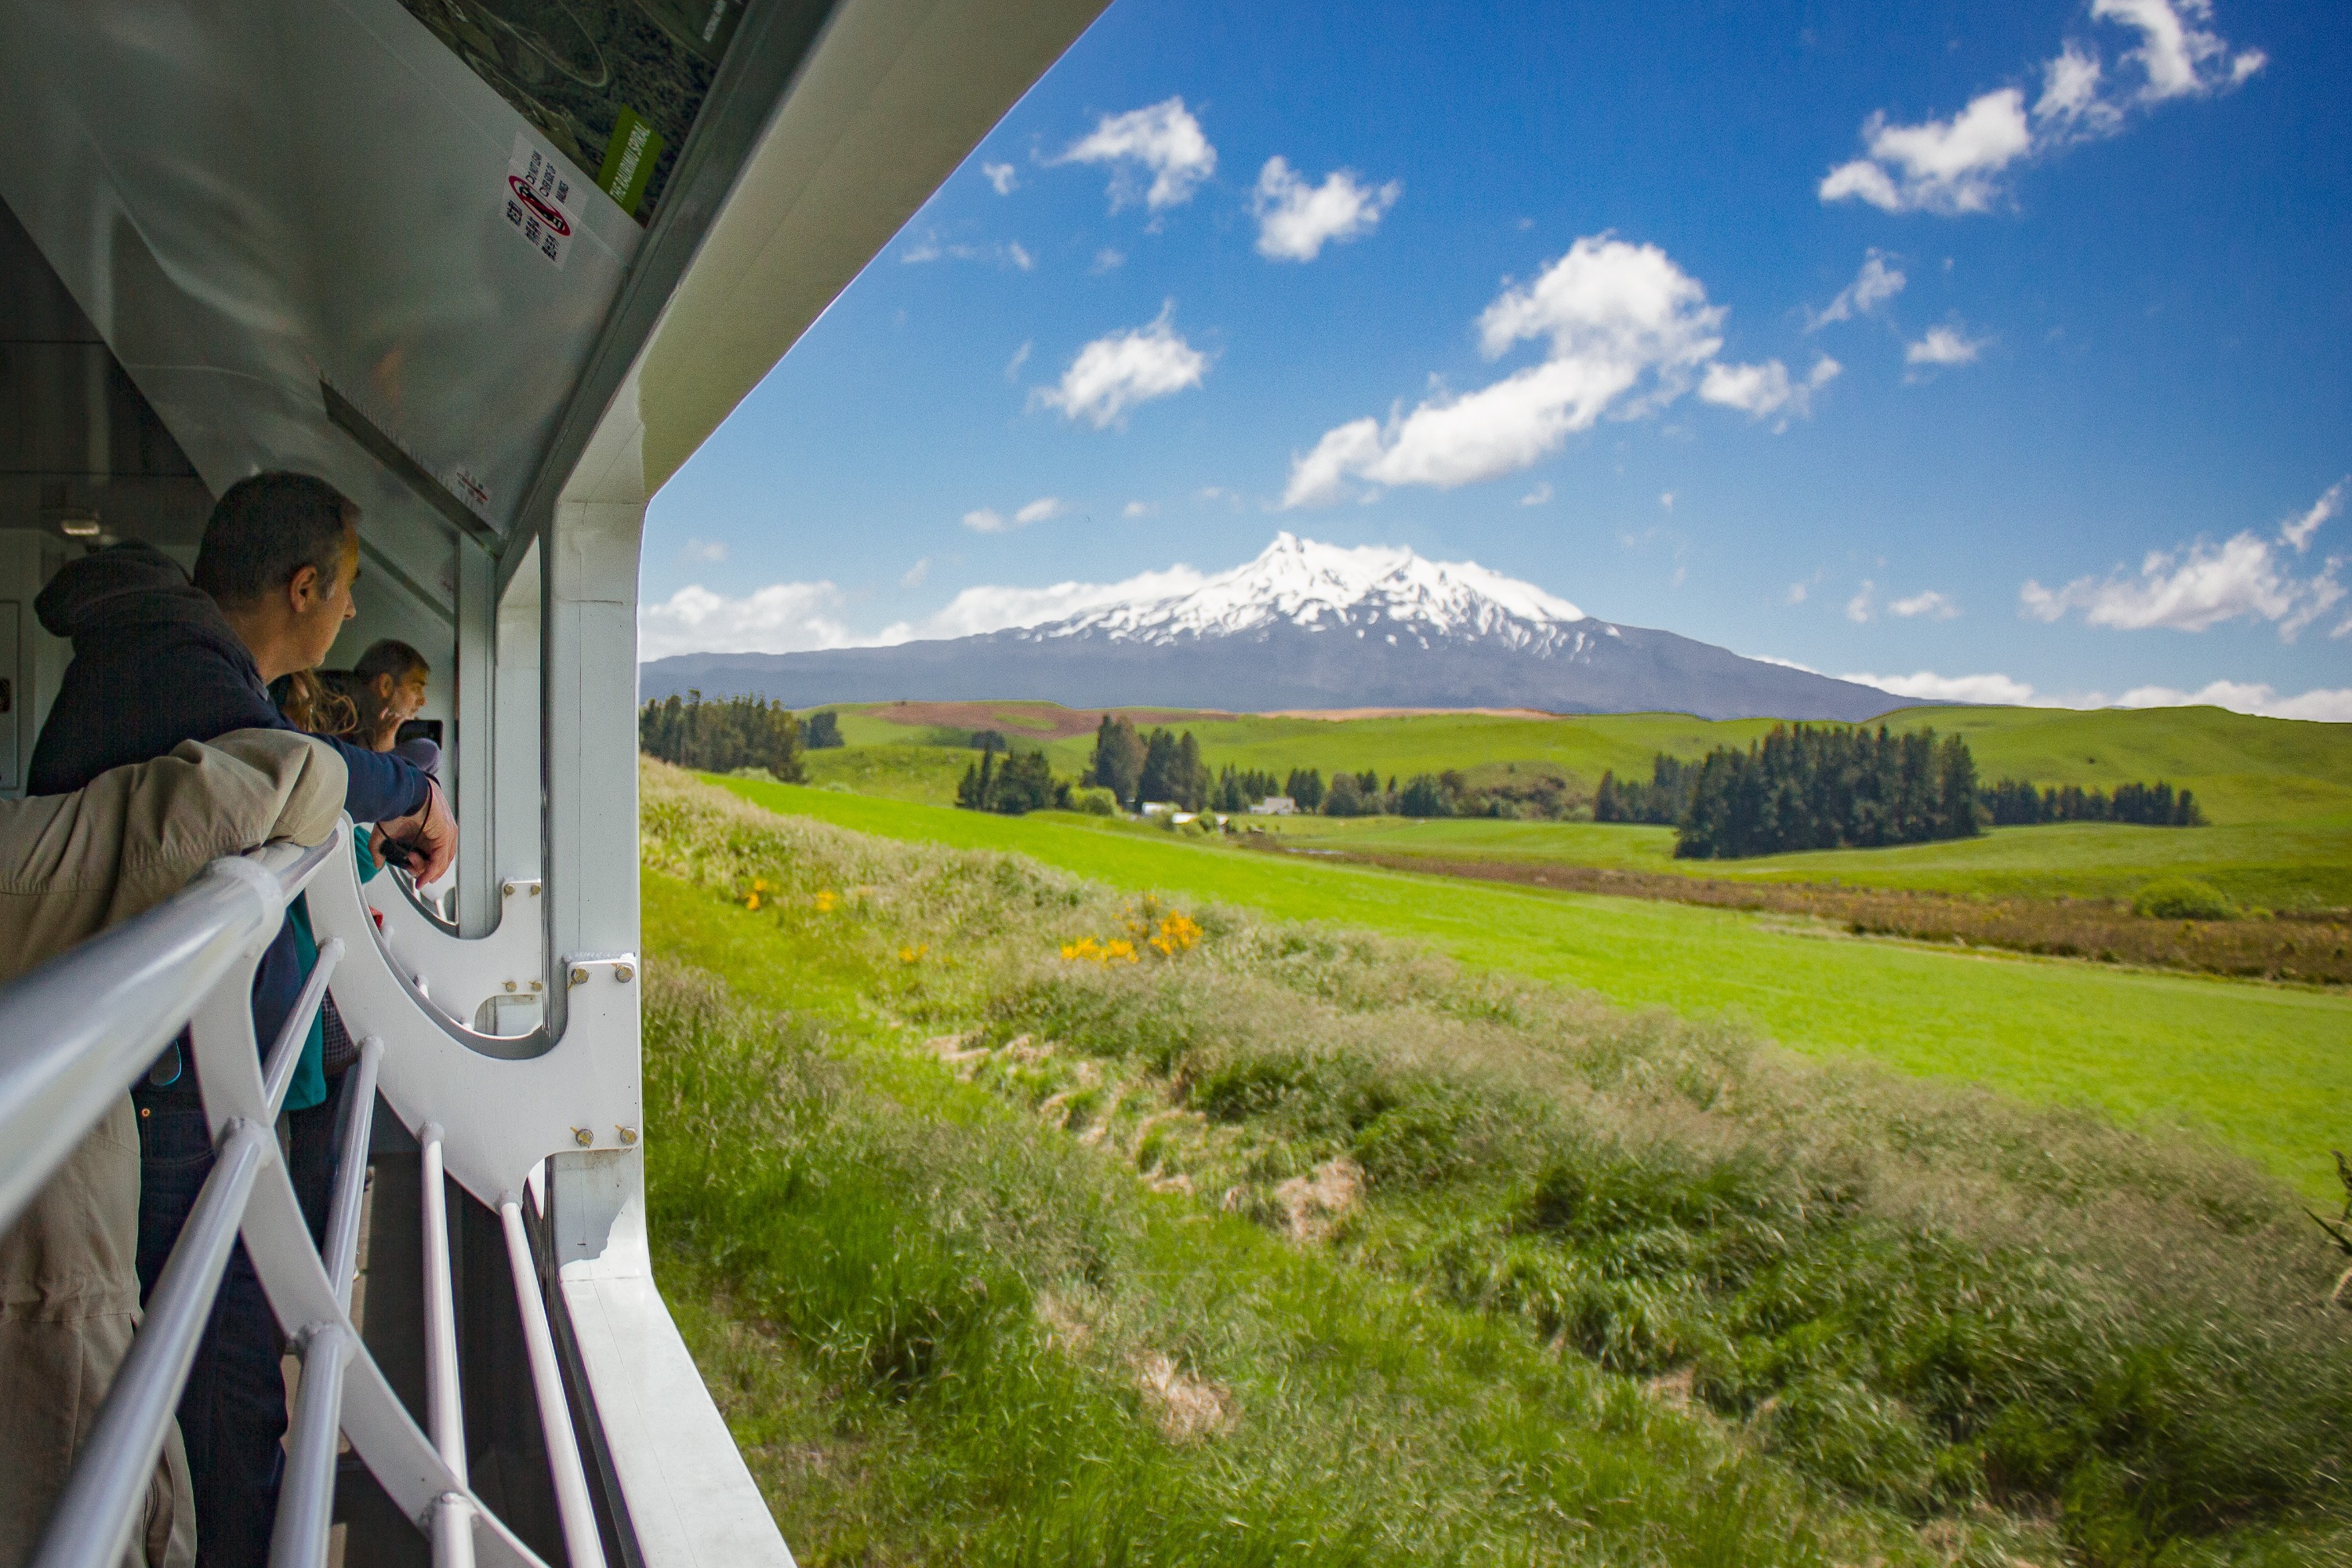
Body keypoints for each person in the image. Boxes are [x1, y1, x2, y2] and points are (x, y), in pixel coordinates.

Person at [28, 471, 456, 1566]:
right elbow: (290, 770)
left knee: (225, 1382)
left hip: (185, 1090)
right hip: (175, 1105)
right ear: (305, 586)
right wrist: (409, 789)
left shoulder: (179, 661)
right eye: (349, 590)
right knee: (219, 1393)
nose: (352, 615)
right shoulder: (173, 666)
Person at [344, 638, 440, 778]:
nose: (423, 701)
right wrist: (382, 753)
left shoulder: (355, 727)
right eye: (416, 688)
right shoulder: (341, 732)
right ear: (386, 686)